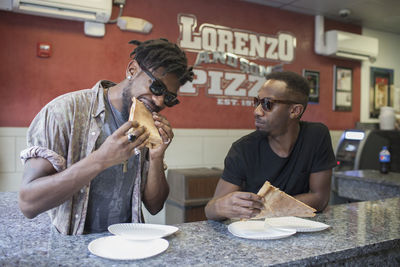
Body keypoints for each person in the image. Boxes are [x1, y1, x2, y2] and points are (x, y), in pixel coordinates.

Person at [19, 38, 194, 235]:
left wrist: (156, 157)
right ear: (132, 70)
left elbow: (154, 206)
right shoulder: (64, 112)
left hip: (127, 242)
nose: (159, 101)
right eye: (156, 87)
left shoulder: (146, 126)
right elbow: (28, 203)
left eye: (169, 97)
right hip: (73, 247)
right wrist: (101, 160)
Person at [205, 71, 336, 221]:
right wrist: (220, 206)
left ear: (294, 111)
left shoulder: (316, 136)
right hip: (255, 234)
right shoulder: (243, 149)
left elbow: (320, 198)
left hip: (301, 231)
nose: (257, 111)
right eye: (257, 102)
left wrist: (263, 208)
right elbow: (210, 210)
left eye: (267, 104)